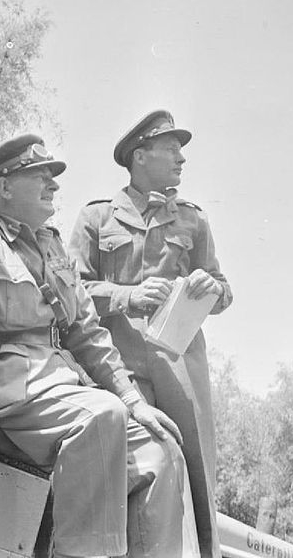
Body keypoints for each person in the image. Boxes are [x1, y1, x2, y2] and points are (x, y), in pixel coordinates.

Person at [0, 133, 202, 558]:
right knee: (98, 416)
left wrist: (135, 400)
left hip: (53, 385)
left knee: (161, 449)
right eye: (40, 176)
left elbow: (87, 332)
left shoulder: (52, 246)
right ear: (4, 187)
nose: (55, 186)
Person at [68, 110, 233, 558]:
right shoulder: (97, 217)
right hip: (115, 365)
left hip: (179, 369)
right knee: (127, 466)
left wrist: (210, 287)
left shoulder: (193, 221)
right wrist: (126, 296)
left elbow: (224, 291)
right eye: (172, 148)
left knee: (194, 479)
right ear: (140, 156)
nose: (182, 158)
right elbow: (69, 290)